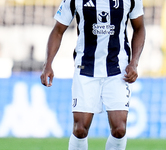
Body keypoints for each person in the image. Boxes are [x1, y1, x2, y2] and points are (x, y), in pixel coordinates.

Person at [40, 0, 145, 149]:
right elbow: (58, 30)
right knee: (80, 129)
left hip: (118, 68)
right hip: (86, 67)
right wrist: (48, 63)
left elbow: (139, 28)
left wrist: (134, 62)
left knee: (119, 129)